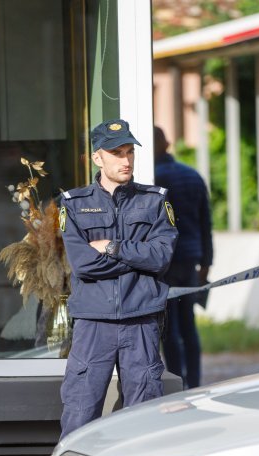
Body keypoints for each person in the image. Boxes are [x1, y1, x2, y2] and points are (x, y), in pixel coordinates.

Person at [57, 119, 178, 438]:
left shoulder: (155, 201)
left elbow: (162, 257)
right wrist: (140, 259)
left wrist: (112, 247)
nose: (125, 160)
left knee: (145, 420)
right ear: (98, 158)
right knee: (80, 415)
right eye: (116, 153)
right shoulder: (74, 204)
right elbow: (84, 266)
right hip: (93, 324)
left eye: (129, 152)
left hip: (141, 322)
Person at [153, 126, 213, 389]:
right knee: (189, 326)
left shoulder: (152, 179)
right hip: (190, 260)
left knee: (169, 329)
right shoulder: (193, 176)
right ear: (166, 144)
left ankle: (177, 381)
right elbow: (205, 223)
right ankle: (195, 383)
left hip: (163, 262)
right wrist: (206, 263)